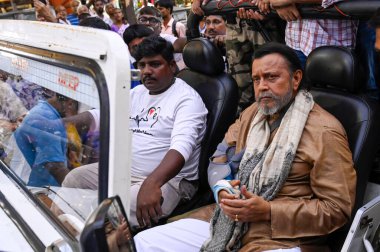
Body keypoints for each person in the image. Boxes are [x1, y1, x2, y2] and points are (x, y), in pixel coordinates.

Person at [134, 42, 356, 251]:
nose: (262, 87)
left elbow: (337, 209)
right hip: (228, 219)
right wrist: (222, 189)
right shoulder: (253, 113)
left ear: (296, 79)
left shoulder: (325, 131)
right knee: (144, 242)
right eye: (257, 79)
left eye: (271, 77)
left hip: (284, 234)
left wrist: (268, 211)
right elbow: (219, 158)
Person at [239, 0, 358, 68]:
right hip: (294, 45)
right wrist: (269, 4)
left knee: (334, 105)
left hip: (333, 48)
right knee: (295, 106)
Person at [13, 92, 77, 187]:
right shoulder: (48, 120)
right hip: (34, 188)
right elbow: (56, 167)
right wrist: (77, 191)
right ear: (70, 104)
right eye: (76, 114)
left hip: (25, 181)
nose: (73, 119)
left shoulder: (43, 110)